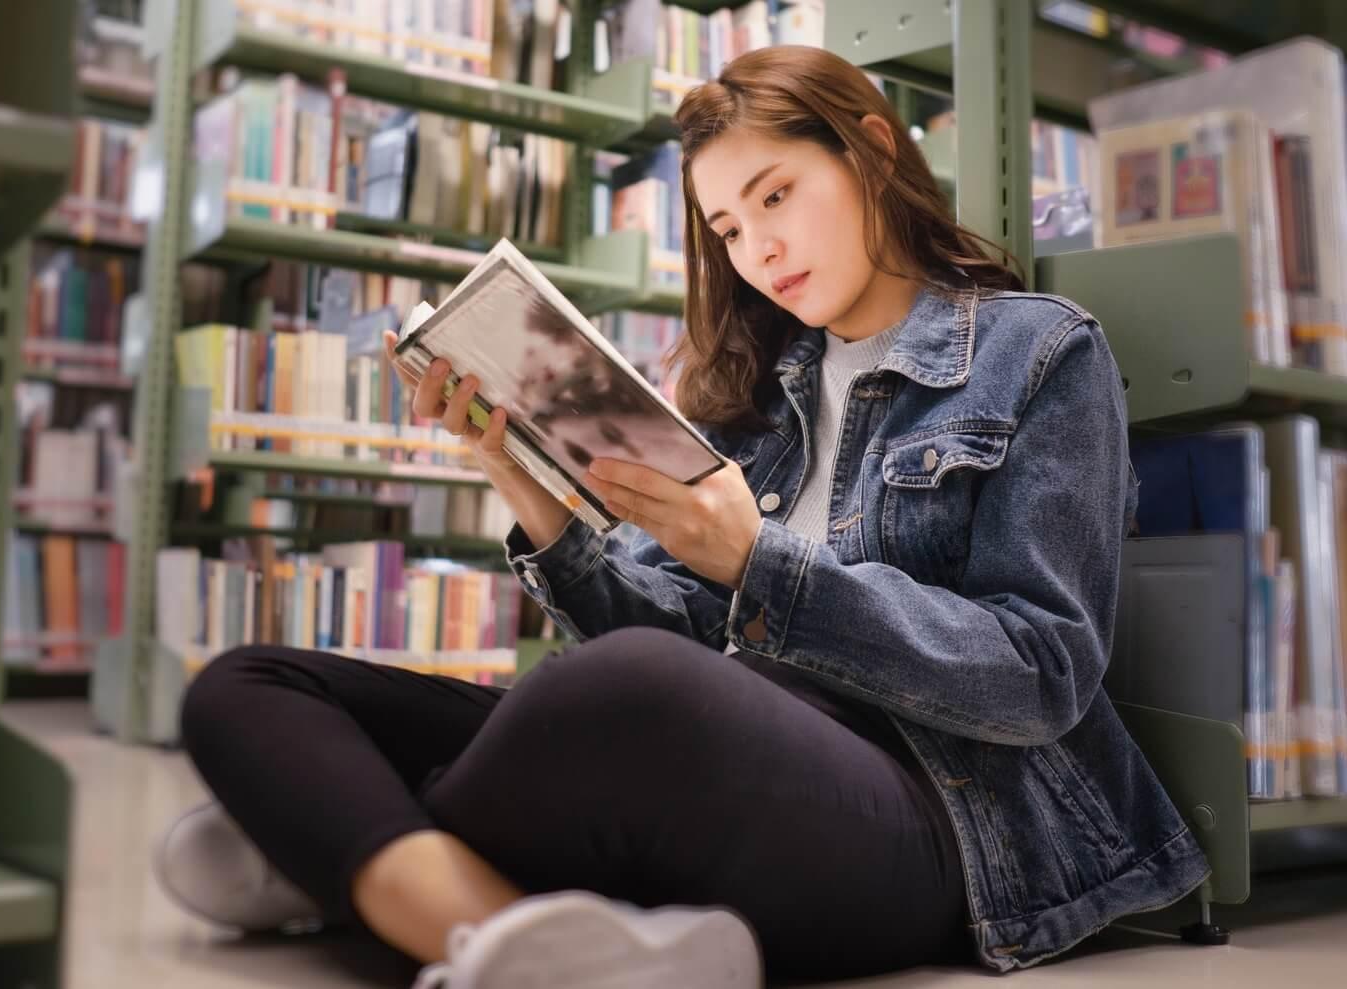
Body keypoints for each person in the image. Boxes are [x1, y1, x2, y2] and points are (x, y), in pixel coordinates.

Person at [160, 44, 1211, 987]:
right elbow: (669, 647)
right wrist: (523, 478)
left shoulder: (1037, 354)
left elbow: (1040, 675)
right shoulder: (752, 393)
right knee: (250, 682)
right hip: (725, 763)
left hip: (939, 814)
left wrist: (761, 561)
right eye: (726, 225)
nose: (756, 247)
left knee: (619, 690)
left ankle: (340, 849)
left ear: (873, 153)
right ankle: (490, 932)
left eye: (776, 195)